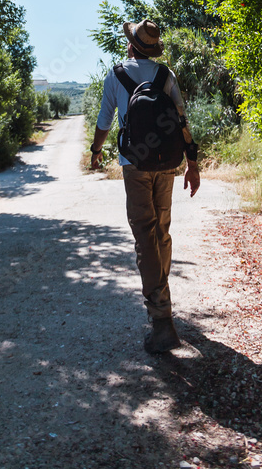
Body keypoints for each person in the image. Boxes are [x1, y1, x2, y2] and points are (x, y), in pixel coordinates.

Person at [91, 19, 200, 353]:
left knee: (145, 235)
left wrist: (96, 151)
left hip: (134, 165)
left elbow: (104, 120)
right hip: (167, 163)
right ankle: (162, 298)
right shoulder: (166, 75)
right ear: (151, 49)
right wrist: (192, 164)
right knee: (162, 232)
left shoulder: (116, 75)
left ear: (131, 45)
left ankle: (161, 320)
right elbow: (181, 120)